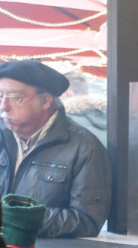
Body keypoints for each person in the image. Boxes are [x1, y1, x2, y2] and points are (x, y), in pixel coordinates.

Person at [0, 60, 111, 237]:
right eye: (0, 97)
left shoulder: (83, 147)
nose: (3, 107)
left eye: (15, 98)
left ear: (45, 101)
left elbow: (87, 221)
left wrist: (16, 219)